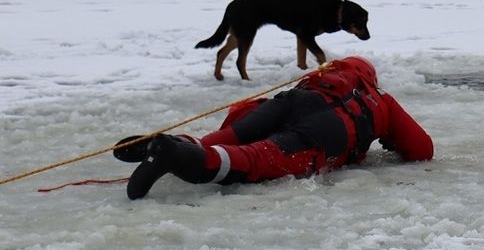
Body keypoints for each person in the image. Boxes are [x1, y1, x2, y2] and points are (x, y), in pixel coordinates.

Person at [114, 56, 433, 200]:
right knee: (254, 159)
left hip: (291, 101)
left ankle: (179, 143)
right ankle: (171, 154)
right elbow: (422, 149)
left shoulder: (325, 78)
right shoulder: (379, 99)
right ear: (370, 77)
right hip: (327, 130)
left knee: (222, 139)